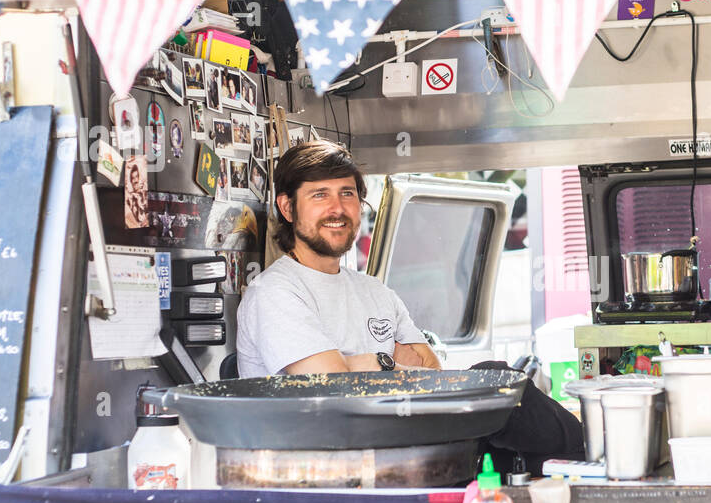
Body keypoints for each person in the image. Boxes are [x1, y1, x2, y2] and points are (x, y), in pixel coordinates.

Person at [236, 141, 584, 473]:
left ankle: (588, 465)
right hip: (328, 460)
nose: (337, 209)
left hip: (400, 441)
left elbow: (429, 369)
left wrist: (360, 364)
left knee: (502, 382)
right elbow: (330, 383)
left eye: (347, 194)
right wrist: (386, 359)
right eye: (319, 195)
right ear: (287, 207)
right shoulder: (275, 292)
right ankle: (588, 460)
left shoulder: (372, 290)